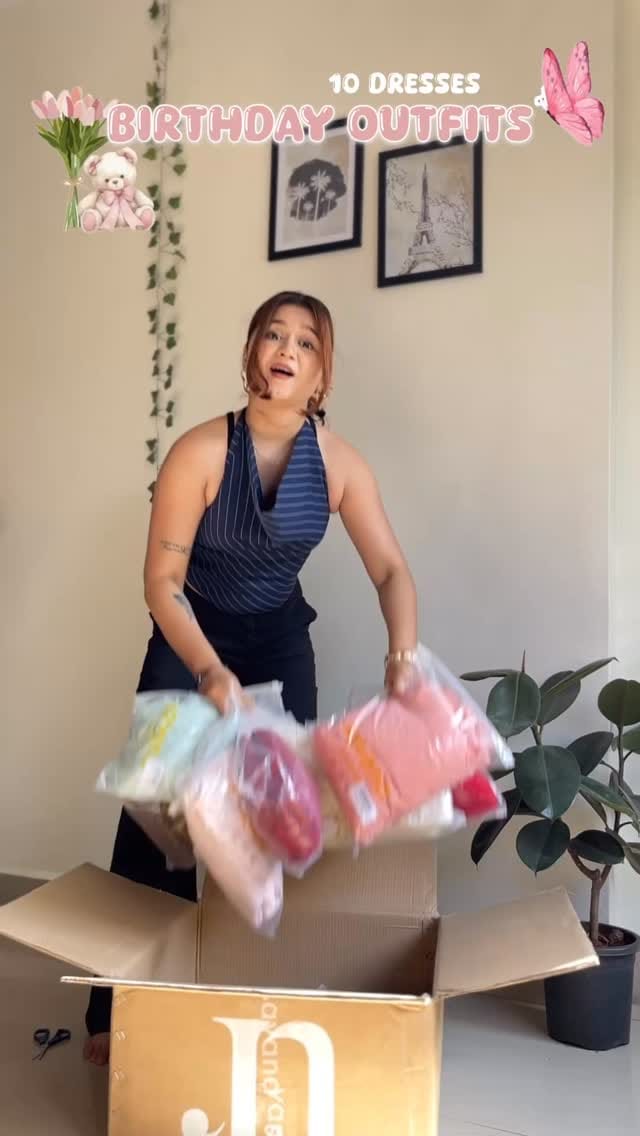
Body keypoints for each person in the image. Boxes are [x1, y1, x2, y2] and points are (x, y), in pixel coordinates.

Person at [84, 289, 419, 1065]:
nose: (287, 349)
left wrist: (401, 659)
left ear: (321, 374)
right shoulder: (200, 452)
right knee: (159, 819)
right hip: (189, 633)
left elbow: (391, 570)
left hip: (277, 638)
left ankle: (257, 992)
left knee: (280, 816)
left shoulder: (340, 466)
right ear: (251, 352)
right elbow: (161, 584)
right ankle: (116, 1012)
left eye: (306, 341)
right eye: (273, 334)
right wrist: (208, 670)